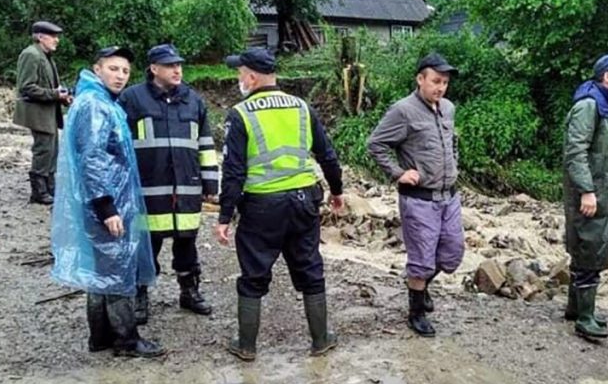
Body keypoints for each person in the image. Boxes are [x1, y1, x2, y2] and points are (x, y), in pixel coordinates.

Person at [215, 48, 344, 362]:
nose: (239, 79)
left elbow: (233, 170)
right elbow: (327, 154)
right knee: (310, 268)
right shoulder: (301, 107)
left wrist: (224, 215)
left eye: (240, 73)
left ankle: (246, 345)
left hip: (262, 206)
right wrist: (337, 190)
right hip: (304, 203)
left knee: (254, 274)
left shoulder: (241, 113)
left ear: (252, 76)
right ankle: (320, 340)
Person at [50, 46, 164, 358]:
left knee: (102, 269)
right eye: (114, 69)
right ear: (97, 69)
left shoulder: (98, 101)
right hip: (107, 202)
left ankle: (100, 337)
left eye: (125, 71)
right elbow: (92, 158)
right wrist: (106, 207)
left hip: (108, 199)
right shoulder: (95, 106)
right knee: (117, 270)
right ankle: (126, 341)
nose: (120, 76)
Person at [367, 53, 465, 338]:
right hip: (419, 199)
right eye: (436, 81)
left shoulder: (447, 108)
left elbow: (452, 142)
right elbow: (376, 144)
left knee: (452, 256)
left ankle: (420, 288)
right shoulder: (403, 110)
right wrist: (398, 172)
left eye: (445, 83)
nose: (441, 88)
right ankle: (416, 312)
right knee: (421, 260)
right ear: (420, 79)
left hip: (449, 196)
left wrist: (454, 164)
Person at [119, 44, 218, 323]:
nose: (177, 70)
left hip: (186, 189)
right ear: (154, 69)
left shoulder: (193, 101)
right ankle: (140, 296)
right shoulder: (132, 99)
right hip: (149, 191)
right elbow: (121, 145)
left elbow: (206, 146)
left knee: (187, 245)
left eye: (179, 65)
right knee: (147, 246)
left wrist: (210, 185)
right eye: (170, 65)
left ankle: (189, 292)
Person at [562, 53, 608, 342]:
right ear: (607, 76)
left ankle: (575, 308)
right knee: (589, 248)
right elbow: (575, 152)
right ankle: (585, 318)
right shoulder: (589, 106)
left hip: (606, 192)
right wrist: (587, 190)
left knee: (592, 247)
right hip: (590, 193)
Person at [13, 21, 73, 205]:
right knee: (43, 150)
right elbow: (26, 87)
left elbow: (46, 86)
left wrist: (62, 97)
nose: (57, 40)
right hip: (37, 113)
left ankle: (49, 188)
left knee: (52, 150)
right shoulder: (31, 55)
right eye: (53, 36)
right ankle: (39, 192)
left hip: (48, 112)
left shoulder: (45, 55)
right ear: (40, 37)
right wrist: (55, 94)